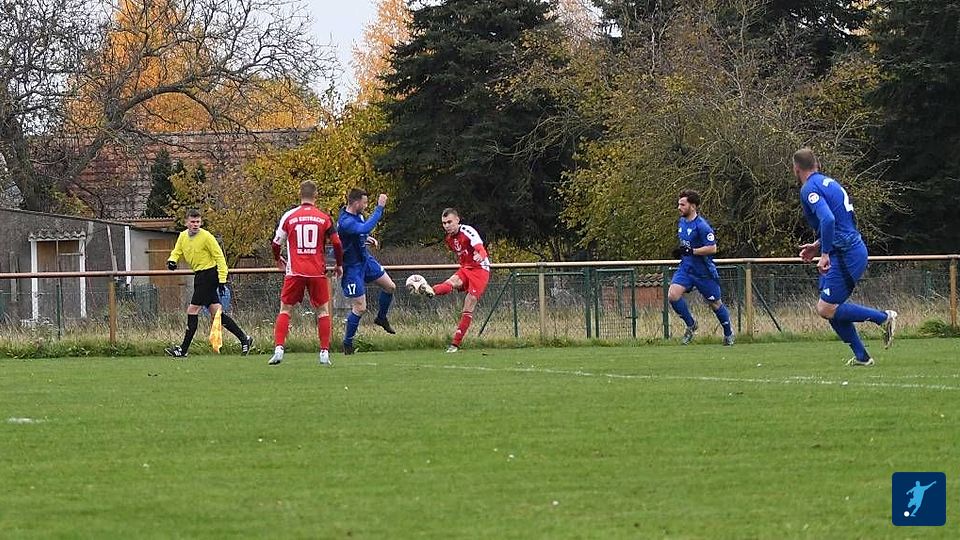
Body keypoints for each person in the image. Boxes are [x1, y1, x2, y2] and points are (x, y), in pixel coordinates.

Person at [793, 147, 897, 366]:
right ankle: (862, 357)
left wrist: (824, 254)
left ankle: (884, 318)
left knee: (826, 308)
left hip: (846, 253)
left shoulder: (809, 188)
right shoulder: (828, 183)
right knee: (830, 308)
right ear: (816, 164)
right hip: (846, 249)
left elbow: (829, 220)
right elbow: (841, 223)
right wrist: (818, 245)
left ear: (796, 168)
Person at [268, 180, 344, 366]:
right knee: (322, 311)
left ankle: (279, 349)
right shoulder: (324, 218)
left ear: (300, 195)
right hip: (317, 271)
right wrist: (339, 264)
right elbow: (337, 243)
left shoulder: (289, 216)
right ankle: (324, 352)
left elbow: (276, 243)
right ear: (315, 195)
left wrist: (278, 259)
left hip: (295, 271)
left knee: (285, 309)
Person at [165, 209, 254, 357]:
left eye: (198, 222)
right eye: (192, 222)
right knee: (217, 313)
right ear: (186, 222)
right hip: (199, 275)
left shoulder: (206, 237)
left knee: (192, 310)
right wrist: (172, 261)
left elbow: (219, 257)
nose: (195, 225)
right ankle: (245, 339)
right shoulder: (182, 236)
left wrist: (222, 280)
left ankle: (183, 349)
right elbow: (177, 251)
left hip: (209, 275)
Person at [417, 208, 491, 353]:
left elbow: (481, 249)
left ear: (457, 220)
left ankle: (455, 344)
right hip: (465, 268)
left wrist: (480, 255)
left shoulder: (468, 231)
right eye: (444, 223)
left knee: (469, 303)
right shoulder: (449, 239)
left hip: (480, 269)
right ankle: (429, 290)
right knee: (451, 282)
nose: (446, 225)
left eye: (449, 222)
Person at [667, 189, 735, 346]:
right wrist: (681, 252)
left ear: (692, 206)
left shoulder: (702, 226)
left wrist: (692, 251)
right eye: (679, 204)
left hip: (703, 272)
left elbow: (712, 248)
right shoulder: (682, 222)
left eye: (682, 205)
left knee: (715, 303)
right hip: (686, 269)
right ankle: (691, 324)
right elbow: (687, 246)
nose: (679, 207)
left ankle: (728, 334)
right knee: (673, 295)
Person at [337, 189, 398, 355]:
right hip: (351, 267)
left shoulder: (358, 215)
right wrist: (380, 208)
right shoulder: (345, 221)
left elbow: (360, 231)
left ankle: (381, 318)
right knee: (360, 307)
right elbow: (363, 227)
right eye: (364, 203)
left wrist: (365, 238)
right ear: (356, 203)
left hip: (366, 260)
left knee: (390, 287)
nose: (365, 206)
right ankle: (347, 343)